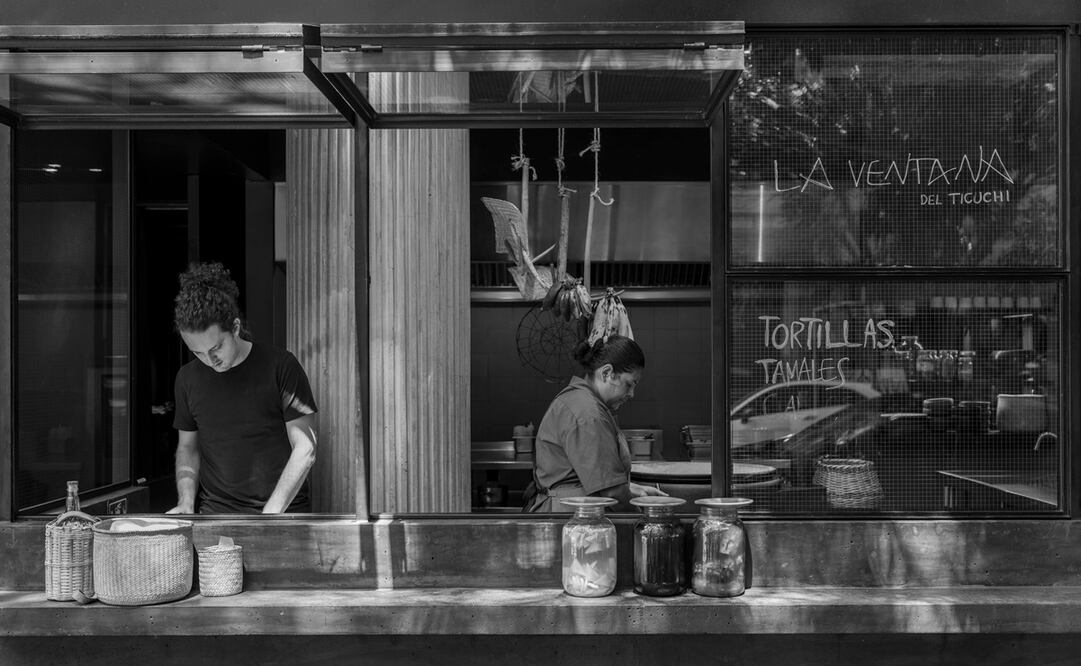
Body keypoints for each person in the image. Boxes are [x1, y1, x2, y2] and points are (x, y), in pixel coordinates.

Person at [166, 262, 318, 514]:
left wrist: (272, 513)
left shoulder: (281, 366)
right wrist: (185, 501)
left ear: (235, 328)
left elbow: (306, 448)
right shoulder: (187, 379)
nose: (209, 360)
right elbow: (188, 447)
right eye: (198, 353)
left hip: (282, 513)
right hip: (216, 514)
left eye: (216, 348)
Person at [526, 334, 666, 512]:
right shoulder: (588, 413)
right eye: (629, 384)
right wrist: (640, 517)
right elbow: (612, 493)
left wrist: (633, 490)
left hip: (574, 514)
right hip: (573, 519)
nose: (631, 394)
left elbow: (589, 477)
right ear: (607, 373)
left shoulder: (580, 400)